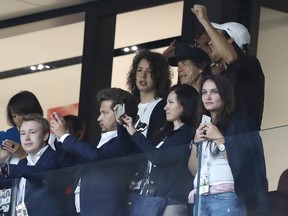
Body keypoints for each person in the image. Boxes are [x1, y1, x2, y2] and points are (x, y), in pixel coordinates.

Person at [50, 87, 138, 216]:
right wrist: (61, 137)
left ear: (120, 113)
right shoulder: (97, 143)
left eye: (104, 113)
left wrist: (65, 136)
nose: (99, 118)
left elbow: (97, 157)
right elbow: (69, 167)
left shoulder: (126, 141)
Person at [188, 75, 268, 215]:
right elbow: (194, 170)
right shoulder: (202, 126)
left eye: (214, 92)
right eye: (204, 92)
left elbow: (242, 163)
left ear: (225, 95)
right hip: (201, 195)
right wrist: (196, 143)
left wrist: (219, 138)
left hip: (227, 194)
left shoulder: (239, 124)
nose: (208, 97)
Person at [120, 84, 199, 216]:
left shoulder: (188, 133)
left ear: (185, 104)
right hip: (152, 199)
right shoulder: (166, 133)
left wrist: (135, 133)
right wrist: (127, 128)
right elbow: (147, 155)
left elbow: (158, 157)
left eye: (170, 102)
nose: (165, 107)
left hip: (171, 203)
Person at [191, 4, 265, 130]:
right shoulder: (223, 73)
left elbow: (231, 58)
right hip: (223, 137)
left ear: (230, 40)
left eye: (216, 35)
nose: (210, 42)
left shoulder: (249, 63)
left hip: (242, 137)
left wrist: (205, 21)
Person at [126, 49, 173, 196]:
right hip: (125, 181)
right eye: (139, 70)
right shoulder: (129, 107)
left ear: (158, 75)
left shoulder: (163, 107)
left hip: (147, 184)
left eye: (149, 71)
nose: (143, 75)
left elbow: (156, 147)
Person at [0, 113, 62, 216]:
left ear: (45, 135)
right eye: (23, 133)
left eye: (32, 132)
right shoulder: (24, 162)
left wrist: (6, 168)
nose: (26, 138)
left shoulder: (53, 157)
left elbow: (38, 173)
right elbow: (8, 183)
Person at [0, 90, 44, 164]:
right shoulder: (9, 136)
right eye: (13, 116)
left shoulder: (49, 139)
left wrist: (23, 154)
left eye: (21, 114)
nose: (17, 119)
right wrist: (2, 158)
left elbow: (45, 170)